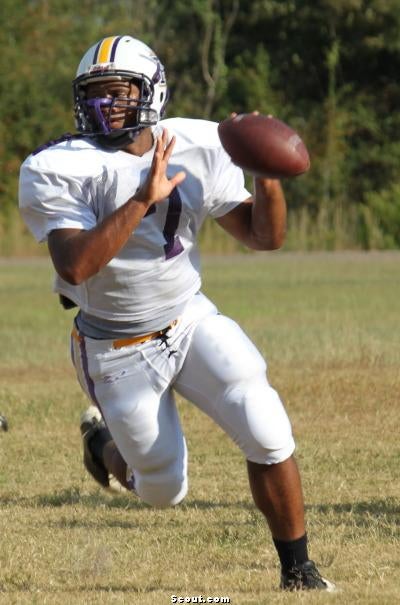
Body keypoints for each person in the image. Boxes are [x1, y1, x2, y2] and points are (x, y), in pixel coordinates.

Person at [19, 35, 336, 592]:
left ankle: (299, 572)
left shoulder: (199, 141)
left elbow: (265, 236)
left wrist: (266, 174)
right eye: (92, 95)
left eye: (117, 94)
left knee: (265, 425)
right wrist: (142, 197)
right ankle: (104, 444)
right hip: (114, 343)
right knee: (165, 488)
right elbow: (74, 267)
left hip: (189, 317)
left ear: (152, 93)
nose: (102, 107)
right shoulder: (55, 165)